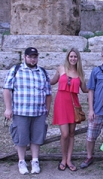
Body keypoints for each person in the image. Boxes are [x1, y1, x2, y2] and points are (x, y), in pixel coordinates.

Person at [3, 47, 52, 175]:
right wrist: (8, 108)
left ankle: (35, 161)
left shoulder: (42, 72)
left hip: (38, 112)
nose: (32, 59)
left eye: (35, 56)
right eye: (30, 56)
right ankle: (22, 161)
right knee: (21, 138)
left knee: (37, 137)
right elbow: (7, 89)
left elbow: (48, 93)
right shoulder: (16, 70)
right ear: (25, 57)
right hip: (20, 111)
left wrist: (47, 109)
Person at [80, 47, 103, 169]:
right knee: (91, 136)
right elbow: (91, 91)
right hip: (98, 110)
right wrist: (91, 109)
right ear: (101, 57)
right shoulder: (96, 71)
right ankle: (89, 156)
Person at [51, 48, 88, 171]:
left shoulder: (80, 73)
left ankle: (69, 159)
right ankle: (63, 158)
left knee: (72, 133)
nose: (73, 59)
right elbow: (52, 81)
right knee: (65, 134)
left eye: (75, 57)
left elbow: (85, 89)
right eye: (71, 56)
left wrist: (98, 86)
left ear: (78, 59)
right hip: (61, 103)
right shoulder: (61, 68)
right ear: (68, 57)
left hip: (73, 104)